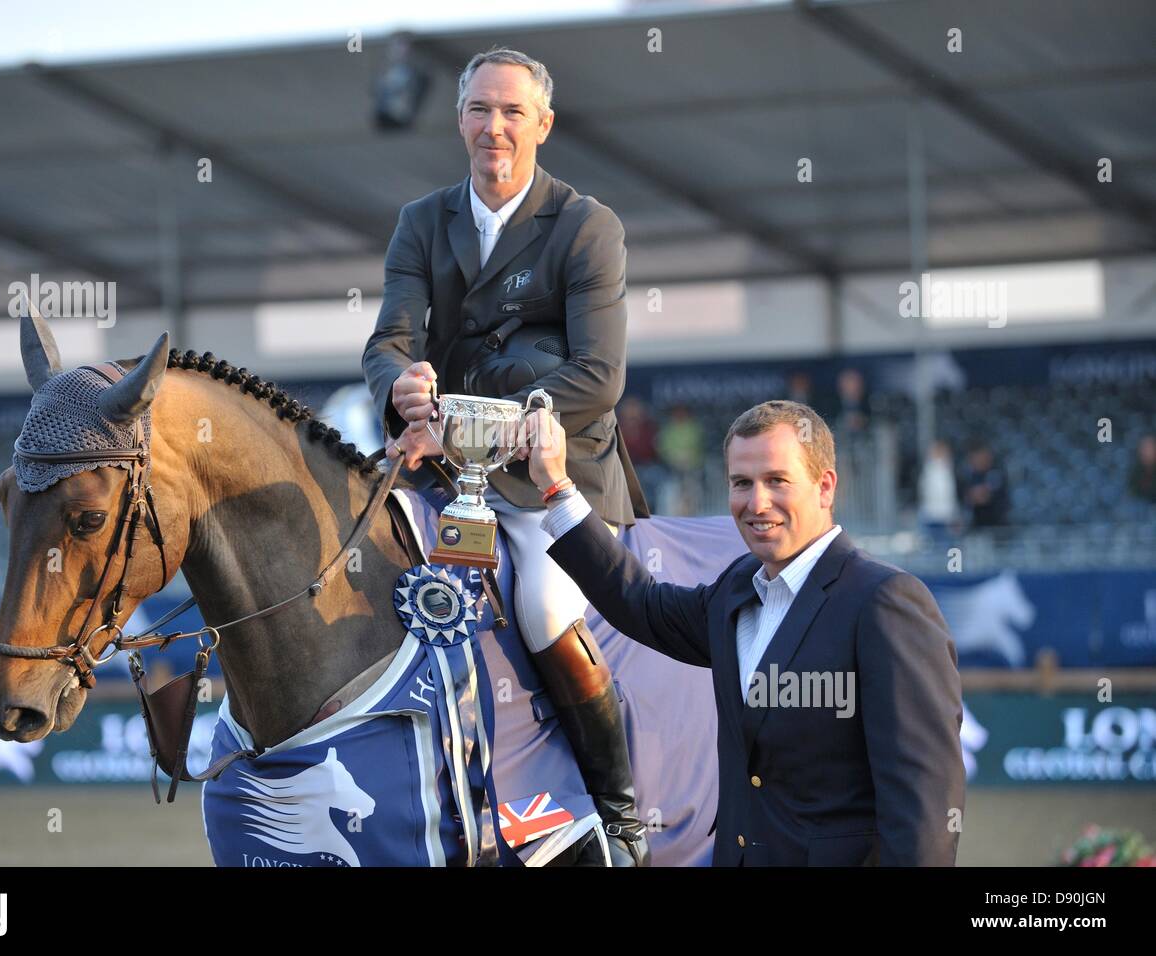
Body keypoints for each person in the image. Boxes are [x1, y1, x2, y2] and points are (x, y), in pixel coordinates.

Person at [363, 48, 652, 865]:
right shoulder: (422, 221)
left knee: (541, 610)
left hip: (552, 478)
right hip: (448, 472)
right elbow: (388, 341)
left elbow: (599, 377)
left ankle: (616, 806)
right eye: (481, 109)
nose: (495, 126)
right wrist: (402, 385)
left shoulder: (587, 226)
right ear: (459, 118)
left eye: (513, 112)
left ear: (543, 124)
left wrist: (474, 420)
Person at [521, 399, 965, 866]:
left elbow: (924, 809)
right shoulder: (737, 588)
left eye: (777, 481)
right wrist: (557, 487)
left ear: (825, 486)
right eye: (742, 483)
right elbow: (640, 604)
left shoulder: (886, 603)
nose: (757, 503)